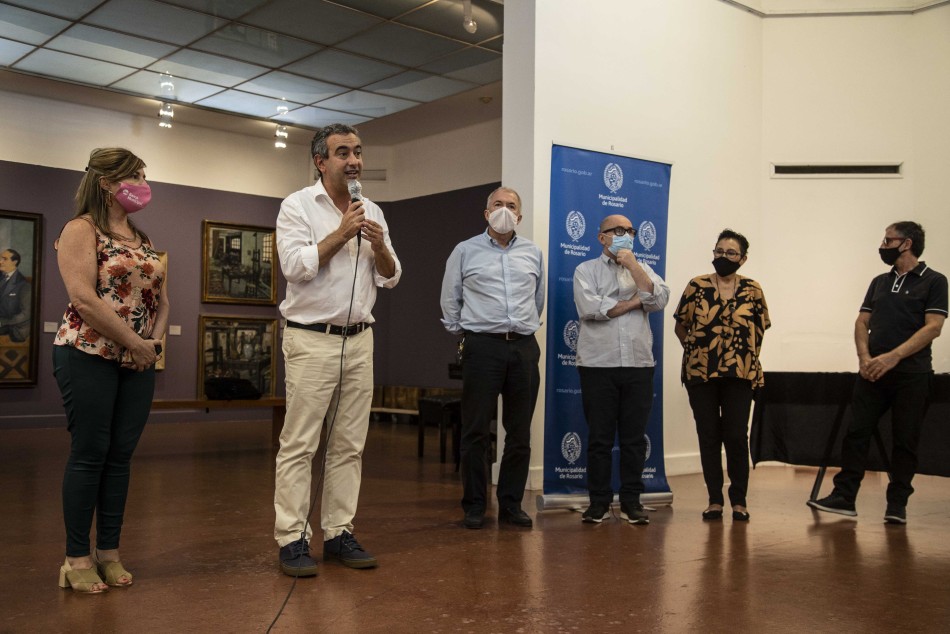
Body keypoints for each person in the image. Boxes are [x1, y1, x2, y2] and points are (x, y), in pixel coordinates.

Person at [274, 124, 401, 576]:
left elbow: (390, 276)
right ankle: (292, 539)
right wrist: (342, 235)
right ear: (320, 162)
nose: (354, 160)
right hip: (312, 339)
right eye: (342, 152)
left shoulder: (374, 211)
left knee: (349, 445)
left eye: (358, 152)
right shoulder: (297, 206)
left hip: (360, 339)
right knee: (301, 445)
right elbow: (294, 267)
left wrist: (379, 244)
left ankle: (339, 533)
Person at [52, 148, 168, 594]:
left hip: (136, 359)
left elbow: (163, 299)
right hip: (87, 351)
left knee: (120, 457)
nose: (143, 182)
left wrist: (152, 343)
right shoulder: (81, 228)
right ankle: (76, 557)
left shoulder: (139, 235)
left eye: (143, 174)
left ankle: (109, 554)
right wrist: (136, 343)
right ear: (106, 182)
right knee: (89, 454)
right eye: (135, 175)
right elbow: (83, 298)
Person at [808, 221, 946, 524]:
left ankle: (897, 505)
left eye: (887, 240)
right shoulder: (879, 282)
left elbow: (933, 327)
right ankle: (844, 496)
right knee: (856, 432)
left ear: (906, 243)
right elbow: (861, 322)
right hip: (872, 373)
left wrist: (892, 358)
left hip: (913, 374)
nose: (882, 246)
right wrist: (865, 358)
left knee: (905, 439)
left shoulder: (935, 281)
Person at [440, 187, 545, 529]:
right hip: (482, 347)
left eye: (511, 205)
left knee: (519, 432)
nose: (504, 210)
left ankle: (512, 504)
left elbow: (538, 299)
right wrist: (469, 334)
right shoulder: (464, 250)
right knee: (475, 431)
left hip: (524, 348)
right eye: (497, 205)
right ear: (486, 213)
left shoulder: (533, 253)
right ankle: (474, 505)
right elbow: (450, 298)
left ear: (520, 215)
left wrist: (521, 329)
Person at [573, 214, 670, 525]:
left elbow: (658, 298)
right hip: (598, 364)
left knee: (633, 439)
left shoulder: (643, 269)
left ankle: (631, 501)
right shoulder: (584, 270)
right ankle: (598, 503)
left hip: (638, 365)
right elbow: (591, 309)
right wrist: (633, 303)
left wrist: (632, 266)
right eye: (618, 230)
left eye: (630, 231)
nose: (626, 234)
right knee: (600, 438)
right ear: (602, 237)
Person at [673, 229, 770, 522]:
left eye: (731, 253)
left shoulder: (753, 289)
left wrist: (745, 359)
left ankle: (738, 500)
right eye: (719, 251)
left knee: (736, 436)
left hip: (740, 374)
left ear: (743, 258)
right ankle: (714, 500)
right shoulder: (697, 286)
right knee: (709, 435)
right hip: (701, 374)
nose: (723, 257)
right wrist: (696, 351)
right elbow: (681, 325)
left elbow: (761, 328)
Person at [0, 248, 31, 342]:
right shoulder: (1, 277)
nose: (0, 262)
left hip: (15, 328)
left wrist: (2, 322)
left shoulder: (23, 284)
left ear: (15, 262)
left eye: (4, 259)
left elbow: (26, 314)